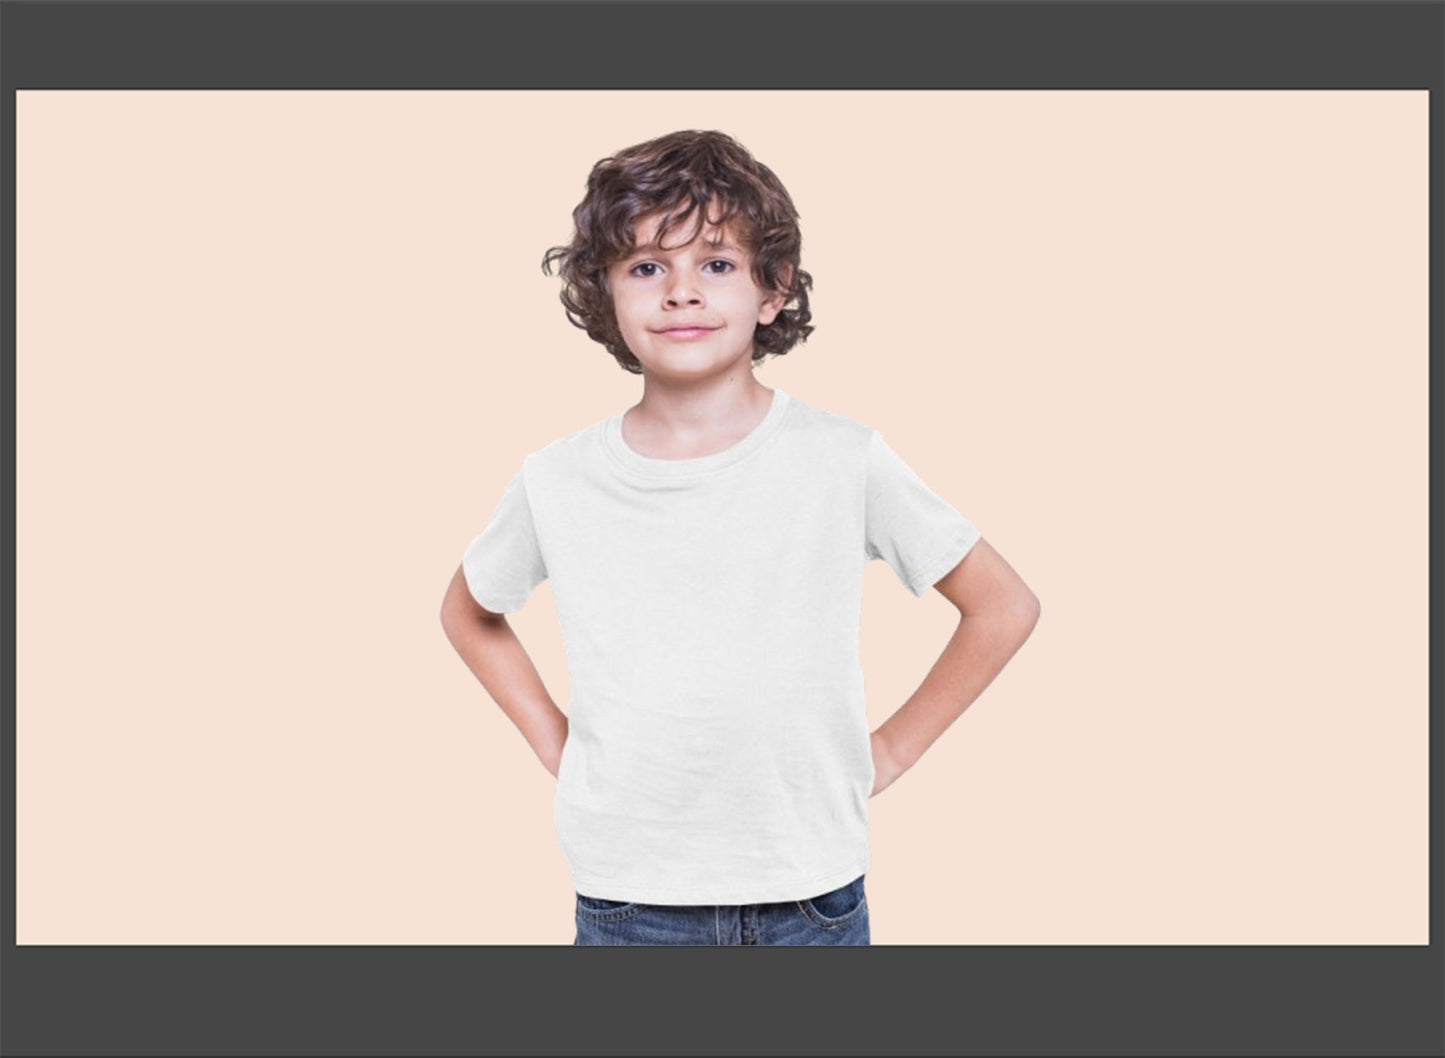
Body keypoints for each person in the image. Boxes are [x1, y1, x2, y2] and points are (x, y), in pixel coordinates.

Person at [439, 129, 1040, 946]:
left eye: (716, 263)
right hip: (628, 896)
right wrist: (559, 746)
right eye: (647, 266)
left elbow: (1001, 606)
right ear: (604, 292)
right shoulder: (557, 478)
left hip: (809, 893)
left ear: (772, 289)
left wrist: (890, 753)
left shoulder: (841, 458)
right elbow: (468, 612)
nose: (681, 291)